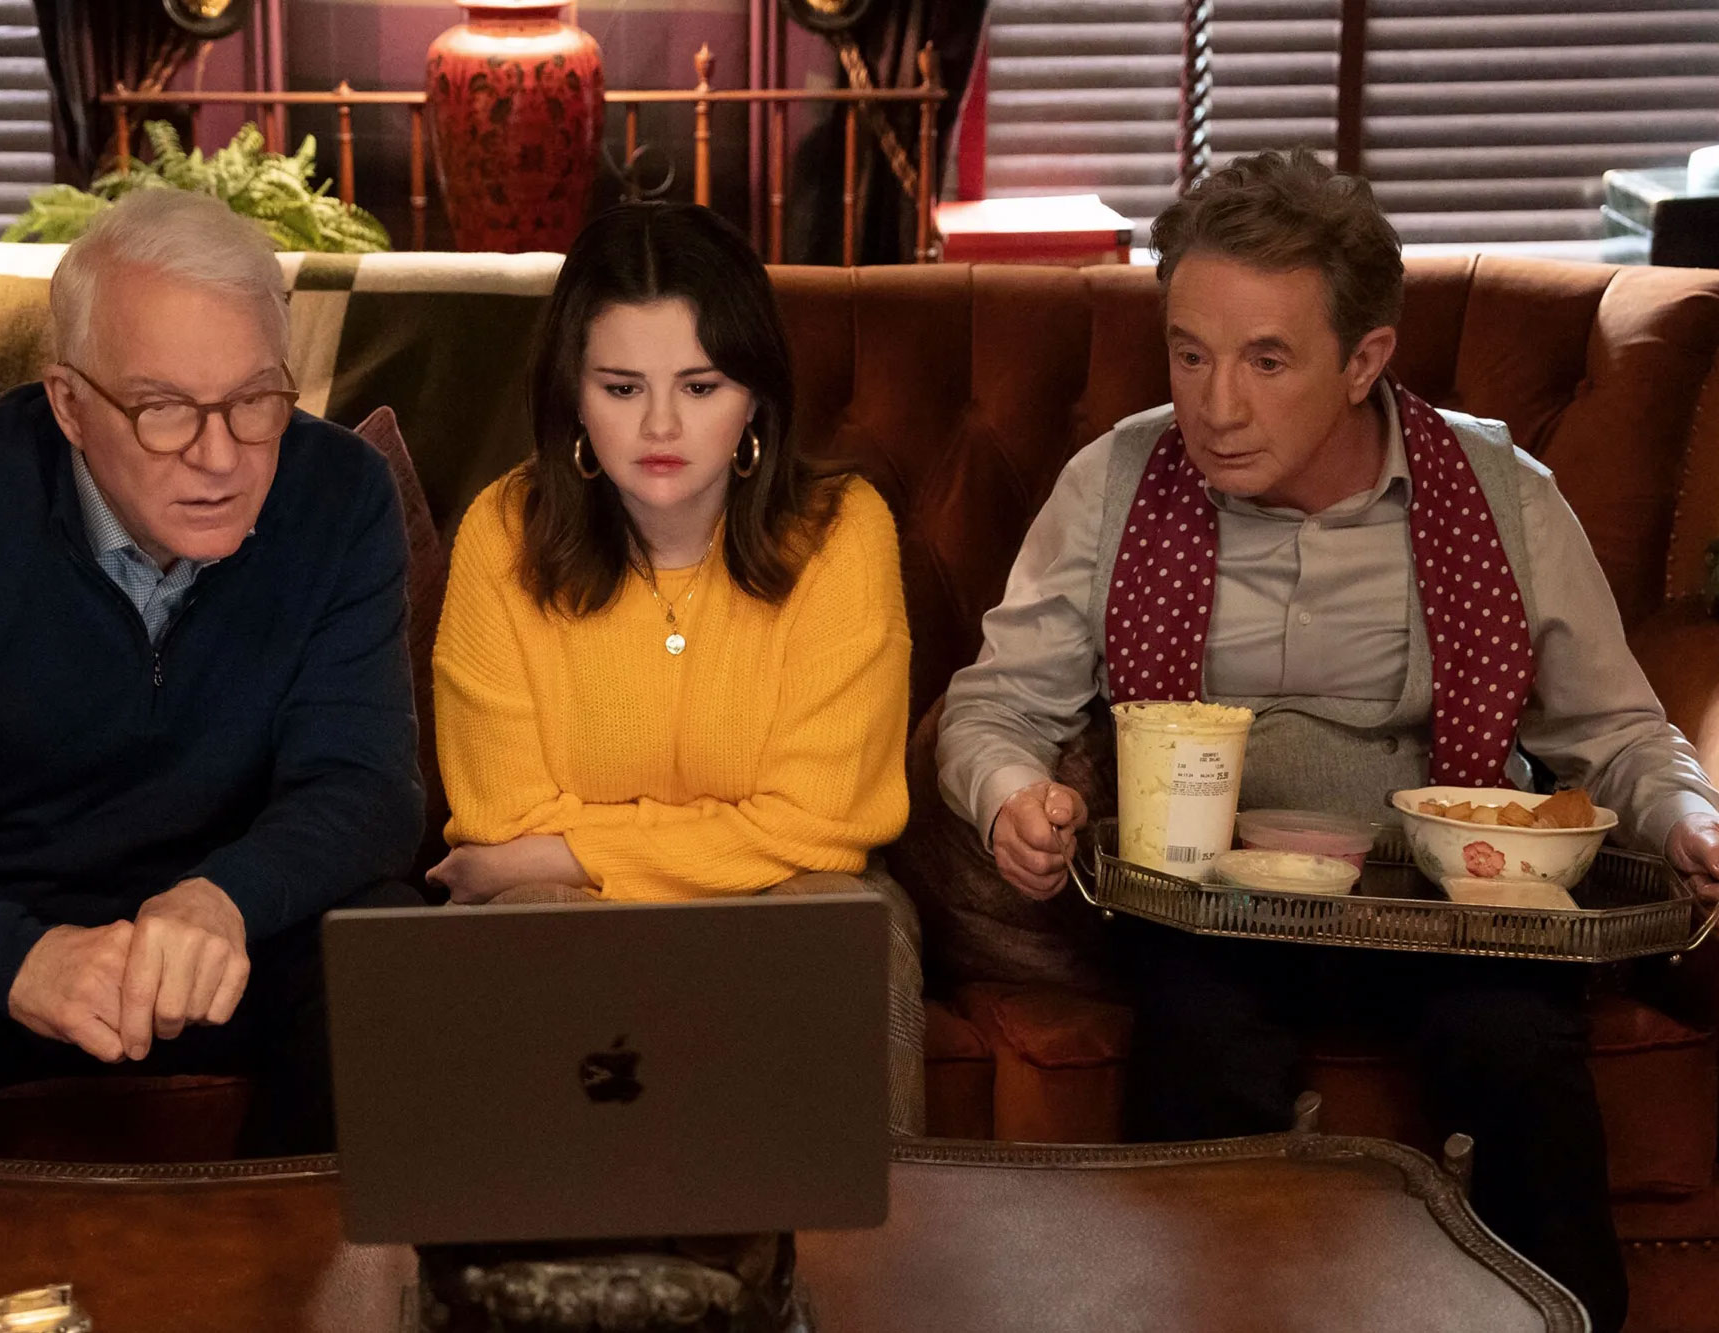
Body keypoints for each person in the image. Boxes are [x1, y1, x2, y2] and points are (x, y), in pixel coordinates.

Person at [936, 148, 1719, 1331]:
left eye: (1265, 360)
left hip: (1450, 901)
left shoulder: (1500, 492)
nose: (1215, 405)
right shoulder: (1115, 482)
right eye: (1188, 355)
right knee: (1200, 1045)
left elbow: (1611, 730)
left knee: (1512, 1048)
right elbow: (995, 705)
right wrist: (1009, 794)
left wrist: (1685, 819)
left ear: (1363, 360)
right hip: (1208, 906)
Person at [0, 189, 425, 1201]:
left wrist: (222, 897)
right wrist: (14, 957)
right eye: (163, 409)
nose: (220, 455)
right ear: (69, 404)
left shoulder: (340, 494)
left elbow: (366, 787)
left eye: (255, 400)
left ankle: (304, 1275)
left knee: (387, 946)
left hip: (221, 941)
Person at [428, 201, 925, 1135]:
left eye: (700, 386)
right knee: (532, 916)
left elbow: (825, 825)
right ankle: (553, 1234)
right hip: (561, 902)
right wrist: (557, 861)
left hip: (789, 895)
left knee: (840, 925)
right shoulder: (501, 532)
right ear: (573, 394)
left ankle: (863, 1234)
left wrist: (567, 850)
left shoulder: (844, 531)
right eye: (622, 387)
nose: (661, 424)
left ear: (755, 397)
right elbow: (500, 821)